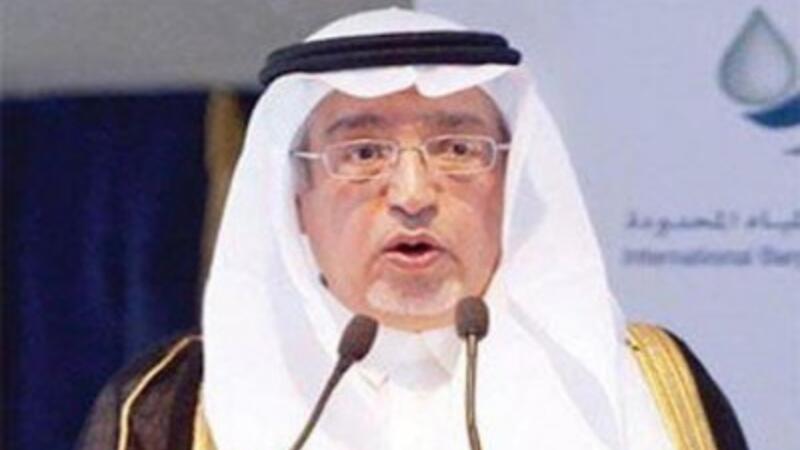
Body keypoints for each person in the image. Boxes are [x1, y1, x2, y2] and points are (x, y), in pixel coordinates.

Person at [77, 8, 748, 450]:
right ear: (297, 200)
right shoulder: (172, 404)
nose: (413, 194)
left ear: (509, 185)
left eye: (458, 149)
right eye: (363, 153)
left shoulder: (651, 381)